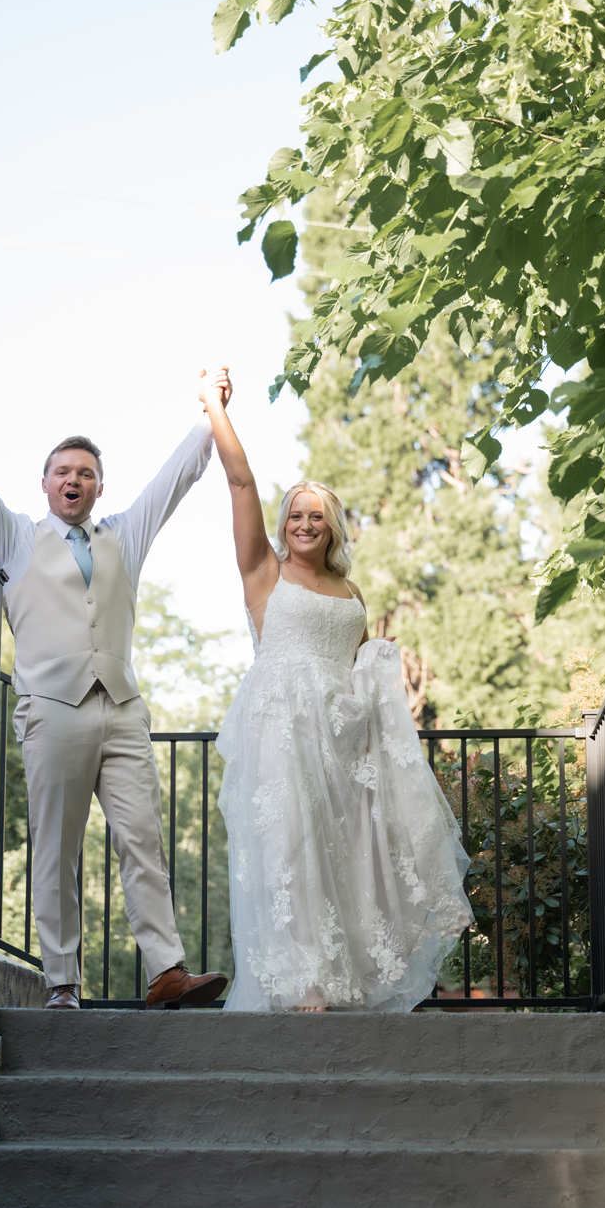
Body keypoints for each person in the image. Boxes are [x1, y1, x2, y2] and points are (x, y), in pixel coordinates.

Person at [0, 349, 229, 1011]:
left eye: (86, 473)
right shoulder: (17, 537)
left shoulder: (124, 536)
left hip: (123, 708)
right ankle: (61, 983)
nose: (74, 479)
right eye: (63, 471)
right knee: (56, 849)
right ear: (46, 483)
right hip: (52, 710)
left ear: (99, 487)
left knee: (144, 840)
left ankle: (167, 972)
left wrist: (210, 415)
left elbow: (175, 478)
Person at [198, 367, 473, 1013]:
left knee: (344, 848)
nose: (304, 522)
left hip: (342, 737)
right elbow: (241, 483)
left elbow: (357, 667)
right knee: (291, 843)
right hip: (280, 727)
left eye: (316, 515)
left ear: (333, 527)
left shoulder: (351, 592)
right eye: (296, 514)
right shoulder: (264, 572)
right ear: (283, 523)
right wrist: (215, 408)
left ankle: (345, 974)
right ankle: (307, 981)